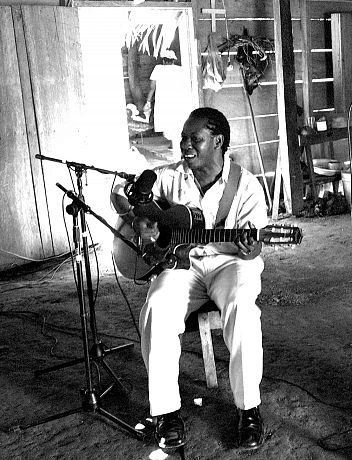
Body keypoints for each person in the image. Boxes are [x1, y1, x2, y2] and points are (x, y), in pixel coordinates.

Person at [114, 107, 268, 451]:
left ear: (218, 141)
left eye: (194, 138)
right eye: (183, 137)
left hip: (230, 262)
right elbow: (123, 195)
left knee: (243, 308)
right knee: (157, 305)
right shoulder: (169, 176)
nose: (185, 144)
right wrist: (141, 222)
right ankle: (166, 413)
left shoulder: (247, 186)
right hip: (182, 264)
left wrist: (249, 246)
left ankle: (249, 410)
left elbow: (252, 249)